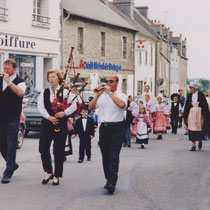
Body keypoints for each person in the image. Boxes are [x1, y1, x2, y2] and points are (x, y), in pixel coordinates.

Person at [89, 75, 127, 195]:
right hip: (104, 127)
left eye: (111, 81)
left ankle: (111, 182)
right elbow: (90, 107)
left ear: (116, 82)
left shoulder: (122, 95)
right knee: (105, 156)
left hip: (117, 127)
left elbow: (121, 105)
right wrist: (98, 95)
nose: (108, 83)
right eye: (106, 81)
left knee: (114, 155)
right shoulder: (102, 96)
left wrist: (110, 94)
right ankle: (108, 178)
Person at [38, 69, 77, 185]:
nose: (51, 79)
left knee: (58, 151)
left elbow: (74, 105)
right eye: (49, 77)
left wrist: (64, 113)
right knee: (43, 149)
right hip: (47, 123)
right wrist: (49, 117)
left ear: (59, 78)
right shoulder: (44, 92)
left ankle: (57, 175)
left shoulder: (65, 92)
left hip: (60, 124)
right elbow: (40, 107)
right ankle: (49, 171)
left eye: (53, 77)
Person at [0, 59, 26, 184]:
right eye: (4, 68)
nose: (5, 71)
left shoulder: (21, 82)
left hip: (13, 117)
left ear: (14, 69)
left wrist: (7, 81)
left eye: (8, 69)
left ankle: (8, 171)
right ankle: (12, 164)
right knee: (2, 144)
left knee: (11, 144)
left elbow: (19, 93)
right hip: (1, 117)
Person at [183, 82, 209, 151]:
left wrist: (205, 115)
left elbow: (204, 105)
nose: (190, 89)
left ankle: (200, 140)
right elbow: (187, 106)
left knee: (199, 128)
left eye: (191, 88)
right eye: (190, 88)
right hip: (191, 114)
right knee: (191, 128)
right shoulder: (189, 95)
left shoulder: (201, 95)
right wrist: (185, 115)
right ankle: (193, 145)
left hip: (199, 113)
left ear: (195, 88)